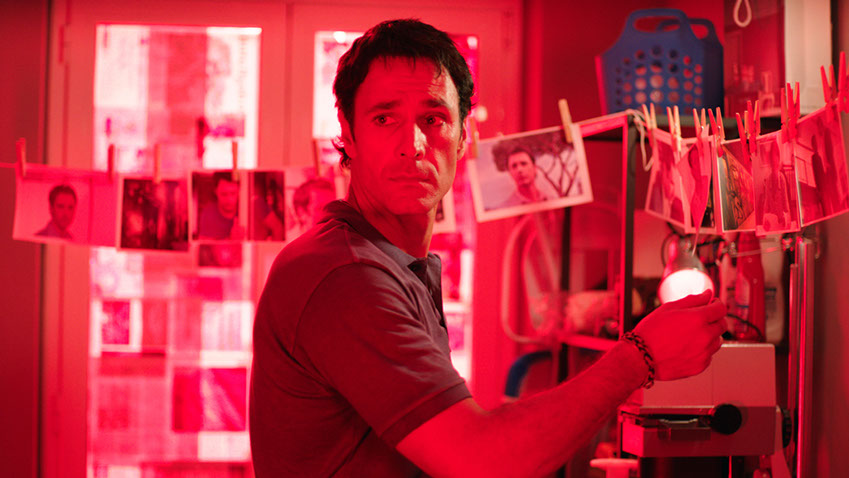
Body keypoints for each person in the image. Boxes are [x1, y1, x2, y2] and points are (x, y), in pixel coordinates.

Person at [250, 18, 726, 478]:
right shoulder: (345, 275)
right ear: (349, 134)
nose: (412, 144)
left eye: (433, 118)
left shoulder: (394, 264)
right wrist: (639, 357)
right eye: (384, 118)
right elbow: (485, 463)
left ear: (464, 137)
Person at [197, 171, 244, 240]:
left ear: (239, 190)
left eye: (233, 193)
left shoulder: (246, 208)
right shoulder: (209, 212)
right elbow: (203, 244)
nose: (229, 200)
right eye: (224, 194)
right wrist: (230, 240)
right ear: (216, 191)